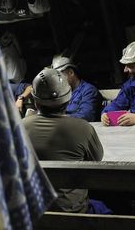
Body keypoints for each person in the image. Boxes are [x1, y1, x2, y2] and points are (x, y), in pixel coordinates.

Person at [23, 68, 108, 213]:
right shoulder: (83, 129)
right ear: (68, 99)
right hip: (73, 213)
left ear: (35, 101)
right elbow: (95, 163)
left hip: (33, 215)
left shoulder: (20, 128)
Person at [52, 54, 100, 122]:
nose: (58, 80)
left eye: (60, 76)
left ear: (71, 73)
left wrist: (60, 118)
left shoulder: (88, 90)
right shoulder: (62, 93)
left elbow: (87, 115)